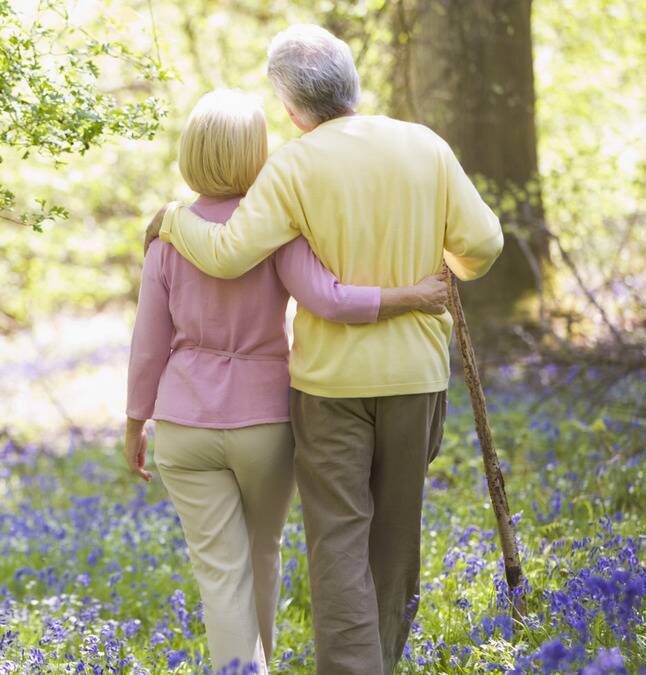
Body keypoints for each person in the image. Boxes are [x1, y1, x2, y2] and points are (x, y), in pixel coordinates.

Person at [146, 27, 504, 675]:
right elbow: (482, 249)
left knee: (338, 540)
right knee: (395, 541)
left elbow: (228, 254)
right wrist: (430, 253)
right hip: (416, 376)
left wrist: (171, 220)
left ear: (289, 108)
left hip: (330, 387)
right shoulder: (424, 146)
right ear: (353, 85)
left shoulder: (293, 165)